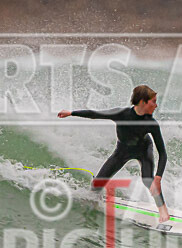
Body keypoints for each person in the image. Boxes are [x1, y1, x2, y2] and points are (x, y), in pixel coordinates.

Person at [58, 85, 170, 222]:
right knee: (97, 184)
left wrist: (158, 177)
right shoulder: (121, 114)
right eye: (153, 101)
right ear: (142, 102)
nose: (156, 105)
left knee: (148, 180)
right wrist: (71, 113)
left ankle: (163, 210)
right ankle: (93, 205)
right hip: (122, 151)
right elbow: (95, 114)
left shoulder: (151, 123)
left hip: (143, 150)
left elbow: (162, 153)